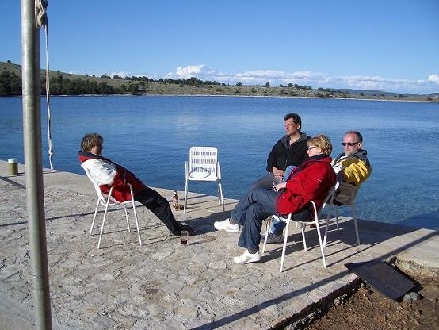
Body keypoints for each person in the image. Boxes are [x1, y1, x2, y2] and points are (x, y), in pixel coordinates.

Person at [219, 135, 337, 264]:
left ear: (320, 149)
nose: (307, 151)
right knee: (254, 209)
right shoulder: (316, 165)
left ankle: (234, 221)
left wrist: (286, 184)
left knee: (254, 193)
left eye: (310, 148)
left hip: (300, 208)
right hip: (293, 201)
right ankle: (251, 251)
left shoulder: (321, 167)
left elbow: (310, 189)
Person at [266, 130, 372, 244]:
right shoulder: (344, 156)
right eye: (344, 144)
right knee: (295, 172)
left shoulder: (362, 162)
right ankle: (285, 198)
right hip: (327, 189)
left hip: (338, 194)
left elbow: (354, 173)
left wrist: (330, 172)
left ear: (359, 145)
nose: (346, 147)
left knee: (294, 174)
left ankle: (280, 209)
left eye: (350, 144)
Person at [78, 133, 194, 236]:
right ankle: (176, 230)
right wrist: (126, 178)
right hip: (124, 191)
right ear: (90, 146)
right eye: (99, 145)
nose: (102, 147)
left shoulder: (91, 160)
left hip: (126, 188)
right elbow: (110, 179)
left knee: (157, 201)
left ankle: (173, 225)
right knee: (160, 203)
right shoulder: (93, 163)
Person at [214, 112, 309, 233]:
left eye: (289, 124)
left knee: (258, 196)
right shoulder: (282, 142)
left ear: (298, 126)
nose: (286, 127)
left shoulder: (307, 144)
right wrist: (275, 171)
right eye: (285, 125)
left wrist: (285, 173)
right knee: (253, 189)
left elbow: (305, 166)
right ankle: (236, 221)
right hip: (274, 175)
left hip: (290, 178)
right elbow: (271, 157)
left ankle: (235, 221)